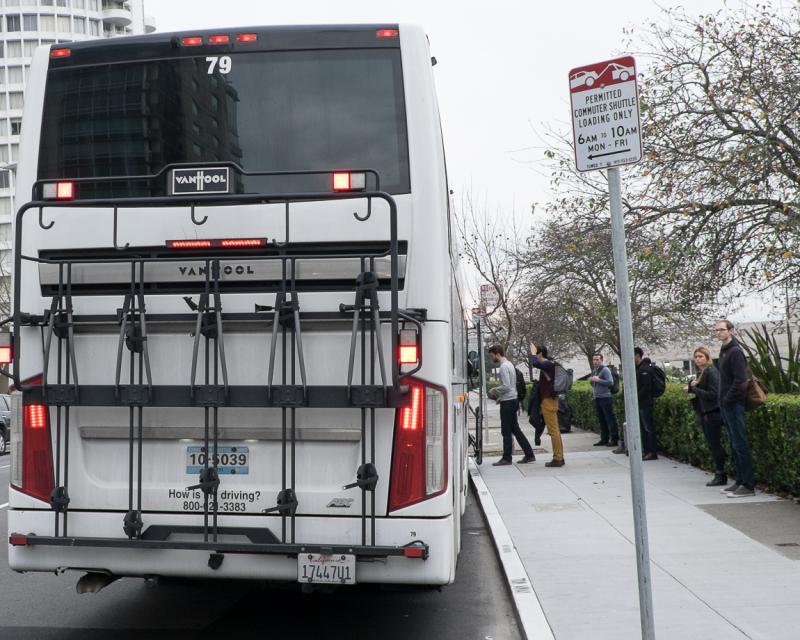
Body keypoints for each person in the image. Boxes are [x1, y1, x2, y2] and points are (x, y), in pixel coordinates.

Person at [714, 319, 755, 497]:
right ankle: (739, 481)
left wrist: (728, 399)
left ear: (731, 331)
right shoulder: (724, 351)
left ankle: (748, 485)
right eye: (716, 330)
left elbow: (741, 381)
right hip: (725, 404)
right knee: (733, 444)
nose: (718, 333)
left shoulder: (735, 352)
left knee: (740, 444)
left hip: (733, 404)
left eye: (722, 330)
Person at [487, 345, 535, 466]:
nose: (492, 358)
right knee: (516, 430)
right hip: (512, 400)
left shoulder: (503, 367)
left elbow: (507, 386)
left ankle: (507, 458)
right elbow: (511, 387)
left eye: (492, 355)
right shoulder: (510, 365)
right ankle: (529, 454)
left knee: (506, 431)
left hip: (508, 403)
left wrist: (494, 390)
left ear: (497, 353)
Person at [686, 346, 727, 487]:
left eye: (700, 356)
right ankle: (719, 471)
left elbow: (713, 394)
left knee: (715, 444)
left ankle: (721, 473)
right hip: (705, 412)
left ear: (707, 357)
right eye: (696, 357)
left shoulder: (711, 372)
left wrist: (694, 389)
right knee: (712, 444)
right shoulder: (701, 372)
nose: (698, 359)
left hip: (713, 412)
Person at [528, 343, 565, 467]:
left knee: (553, 431)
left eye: (536, 354)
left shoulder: (547, 364)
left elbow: (536, 363)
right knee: (555, 430)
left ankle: (558, 458)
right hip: (550, 400)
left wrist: (533, 353)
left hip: (548, 400)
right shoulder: (549, 364)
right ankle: (559, 456)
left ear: (540, 353)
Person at [589, 353, 618, 446]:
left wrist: (598, 380)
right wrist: (591, 381)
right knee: (602, 420)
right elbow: (594, 384)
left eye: (597, 359)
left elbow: (610, 382)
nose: (595, 361)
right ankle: (604, 439)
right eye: (594, 360)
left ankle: (614, 439)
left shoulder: (605, 370)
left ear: (601, 360)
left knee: (610, 419)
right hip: (597, 398)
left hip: (605, 398)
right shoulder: (595, 370)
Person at [634, 347, 658, 460]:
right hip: (641, 403)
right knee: (643, 428)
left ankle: (652, 452)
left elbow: (646, 387)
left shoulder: (644, 369)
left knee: (648, 428)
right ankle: (646, 450)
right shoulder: (637, 368)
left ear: (637, 355)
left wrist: (635, 398)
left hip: (645, 403)